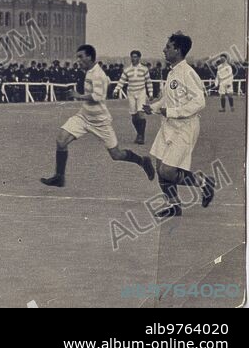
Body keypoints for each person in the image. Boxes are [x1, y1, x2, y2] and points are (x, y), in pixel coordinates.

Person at [40, 44, 155, 188]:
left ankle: (142, 161)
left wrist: (78, 96)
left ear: (89, 57)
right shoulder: (90, 71)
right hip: (84, 116)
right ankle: (59, 177)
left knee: (116, 155)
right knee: (61, 140)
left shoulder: (97, 74)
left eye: (81, 57)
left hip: (100, 121)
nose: (79, 60)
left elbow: (98, 96)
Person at [143, 32, 214, 218]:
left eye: (168, 47)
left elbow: (199, 102)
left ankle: (204, 182)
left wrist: (173, 112)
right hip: (168, 125)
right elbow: (168, 100)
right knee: (160, 167)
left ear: (178, 50)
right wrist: (154, 108)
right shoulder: (173, 71)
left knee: (168, 170)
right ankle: (174, 206)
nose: (164, 50)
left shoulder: (188, 73)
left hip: (185, 127)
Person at [112, 50, 152, 144]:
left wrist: (150, 93)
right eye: (132, 57)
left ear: (139, 58)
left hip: (141, 92)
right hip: (131, 93)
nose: (133, 59)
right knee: (134, 116)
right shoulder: (127, 69)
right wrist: (116, 90)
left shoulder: (144, 69)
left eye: (135, 57)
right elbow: (121, 81)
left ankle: (141, 136)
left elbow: (148, 81)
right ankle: (138, 133)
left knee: (140, 113)